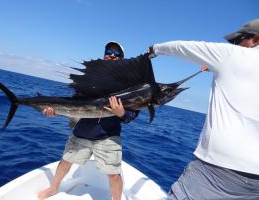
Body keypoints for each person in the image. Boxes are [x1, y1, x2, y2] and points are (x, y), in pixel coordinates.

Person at [148, 19, 259, 199]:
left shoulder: (234, 56)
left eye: (238, 40)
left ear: (255, 39)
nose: (235, 45)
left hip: (215, 176)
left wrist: (154, 49)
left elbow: (183, 47)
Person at [38, 41, 139, 200]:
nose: (112, 55)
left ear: (122, 58)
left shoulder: (128, 84)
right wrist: (55, 112)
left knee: (113, 174)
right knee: (65, 162)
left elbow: (131, 115)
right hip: (81, 131)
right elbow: (74, 103)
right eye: (109, 51)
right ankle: (53, 188)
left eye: (116, 53)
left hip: (108, 136)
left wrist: (121, 113)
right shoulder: (90, 77)